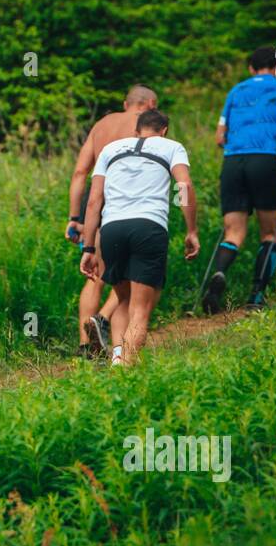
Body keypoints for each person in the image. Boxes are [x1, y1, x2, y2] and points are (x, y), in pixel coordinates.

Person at [78, 110, 199, 366]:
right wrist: (191, 230)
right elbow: (184, 186)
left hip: (111, 229)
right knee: (140, 309)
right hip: (148, 227)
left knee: (121, 298)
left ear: (136, 130)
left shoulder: (111, 149)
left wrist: (89, 246)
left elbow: (93, 202)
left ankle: (117, 358)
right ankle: (128, 368)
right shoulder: (172, 147)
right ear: (164, 130)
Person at [201, 46, 276, 313]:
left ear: (251, 68)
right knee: (270, 232)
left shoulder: (235, 91)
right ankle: (256, 296)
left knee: (234, 231)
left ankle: (218, 276)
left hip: (233, 162)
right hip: (264, 161)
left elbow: (219, 137)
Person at [66, 85, 158, 355]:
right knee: (127, 275)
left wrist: (75, 216)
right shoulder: (146, 125)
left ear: (125, 102)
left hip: (93, 199)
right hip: (125, 199)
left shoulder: (102, 124)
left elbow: (80, 172)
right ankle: (110, 330)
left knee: (95, 272)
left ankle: (85, 346)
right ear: (151, 104)